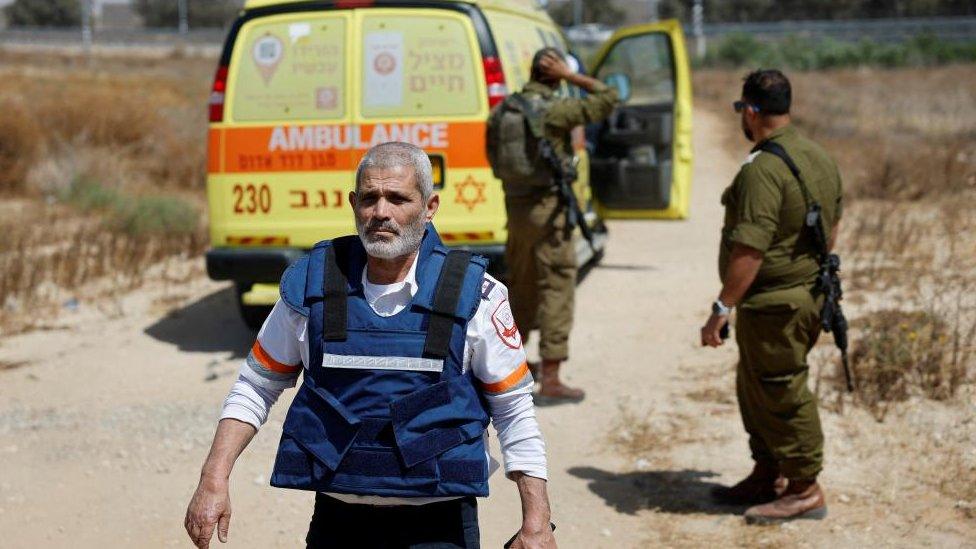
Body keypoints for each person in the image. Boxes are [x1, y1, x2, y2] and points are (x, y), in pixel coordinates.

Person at [184, 142, 555, 549]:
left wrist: (536, 521)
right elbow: (256, 386)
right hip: (339, 524)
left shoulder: (477, 295)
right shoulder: (313, 286)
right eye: (369, 198)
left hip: (440, 526)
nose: (381, 212)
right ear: (353, 204)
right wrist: (213, 479)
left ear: (429, 206)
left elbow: (513, 409)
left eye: (398, 198)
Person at [700, 69, 843, 524]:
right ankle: (768, 471)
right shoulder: (815, 154)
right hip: (799, 296)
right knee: (756, 387)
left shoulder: (764, 169)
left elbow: (750, 248)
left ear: (752, 111)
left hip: (776, 303)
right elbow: (830, 228)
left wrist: (722, 308)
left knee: (782, 390)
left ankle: (804, 488)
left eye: (742, 110)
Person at [489, 47, 619, 404]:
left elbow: (493, 159)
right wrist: (573, 76)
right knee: (557, 285)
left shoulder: (503, 111)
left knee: (521, 284)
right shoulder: (555, 110)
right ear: (555, 75)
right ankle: (551, 378)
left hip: (516, 210)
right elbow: (609, 97)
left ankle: (503, 368)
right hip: (548, 211)